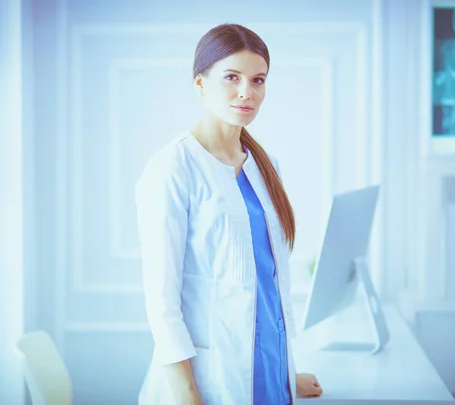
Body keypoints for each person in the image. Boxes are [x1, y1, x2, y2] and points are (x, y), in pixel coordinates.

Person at [135, 23, 323, 405]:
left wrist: (287, 375)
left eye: (258, 80)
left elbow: (267, 291)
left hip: (269, 377)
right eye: (232, 77)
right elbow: (162, 305)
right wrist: (189, 397)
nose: (246, 92)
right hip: (207, 384)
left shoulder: (265, 166)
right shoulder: (172, 169)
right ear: (200, 82)